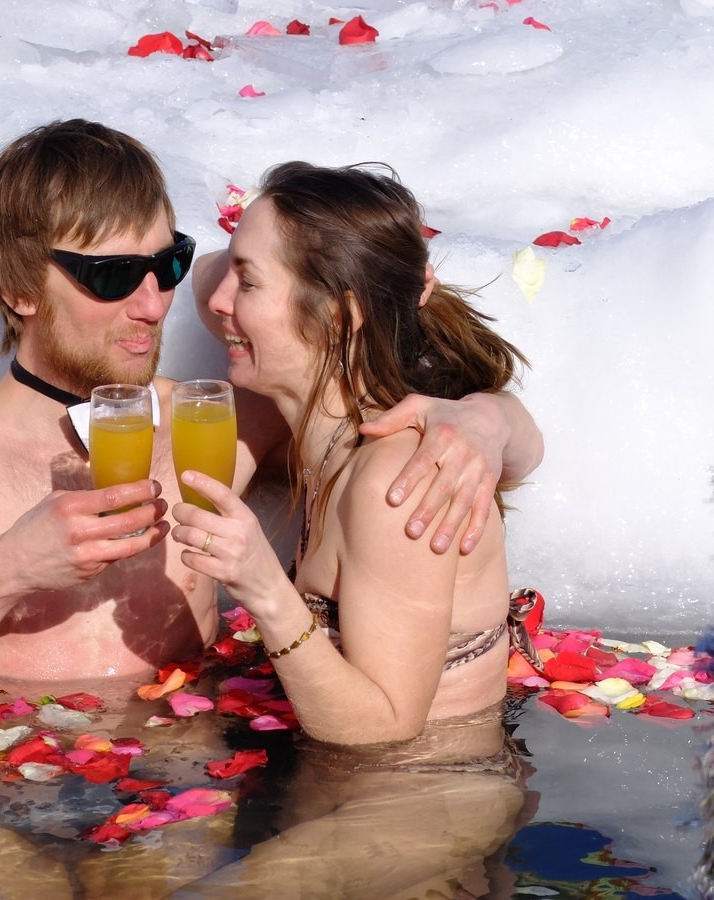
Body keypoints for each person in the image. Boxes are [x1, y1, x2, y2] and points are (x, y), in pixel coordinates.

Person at [0, 122, 543, 725]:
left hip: (179, 754)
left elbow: (328, 313)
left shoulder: (218, 419)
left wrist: (483, 420)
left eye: (170, 264)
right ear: (19, 286)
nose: (154, 305)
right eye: (113, 276)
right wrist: (4, 570)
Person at [171, 160, 540, 746]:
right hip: (343, 779)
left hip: (425, 796)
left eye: (246, 281)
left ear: (340, 316)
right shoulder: (332, 426)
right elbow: (208, 282)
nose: (217, 300)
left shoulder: (396, 482)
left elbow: (385, 729)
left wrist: (265, 587)